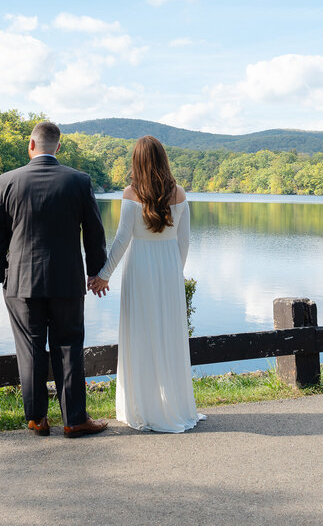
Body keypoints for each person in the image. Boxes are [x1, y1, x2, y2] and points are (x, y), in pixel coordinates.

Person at [0, 121, 110, 438]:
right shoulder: (79, 181)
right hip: (66, 281)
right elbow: (95, 234)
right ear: (58, 146)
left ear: (31, 145)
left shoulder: (7, 181)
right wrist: (95, 272)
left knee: (29, 348)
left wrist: (2, 275)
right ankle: (74, 420)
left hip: (21, 282)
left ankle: (37, 419)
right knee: (68, 347)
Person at [89, 135, 204, 433]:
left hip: (139, 269)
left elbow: (122, 239)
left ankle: (142, 407)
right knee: (168, 335)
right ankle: (173, 406)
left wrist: (104, 275)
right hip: (168, 270)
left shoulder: (131, 193)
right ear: (164, 159)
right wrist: (173, 273)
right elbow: (185, 240)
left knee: (140, 334)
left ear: (137, 161)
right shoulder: (178, 194)